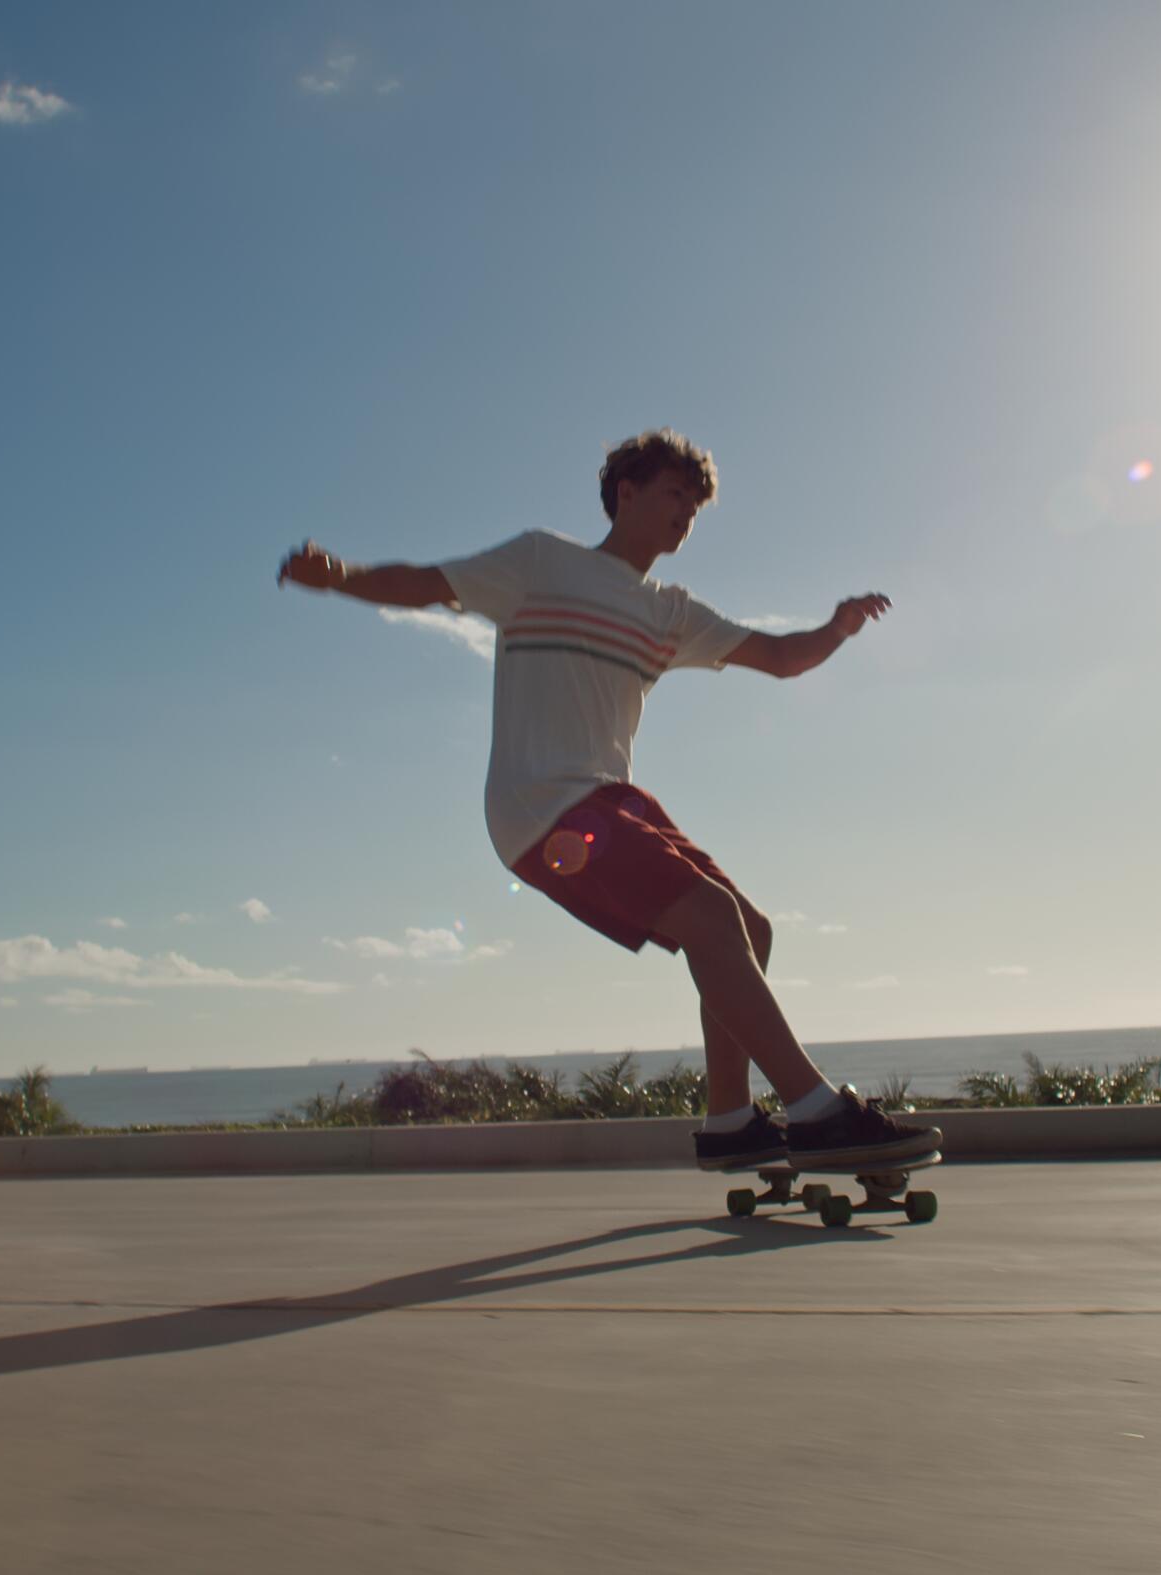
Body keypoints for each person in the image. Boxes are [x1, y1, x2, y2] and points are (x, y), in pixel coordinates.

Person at [276, 428, 940, 1175]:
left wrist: (838, 627)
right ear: (626, 491)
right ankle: (818, 1111)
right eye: (674, 495)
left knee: (749, 927)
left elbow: (781, 658)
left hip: (612, 801)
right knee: (711, 918)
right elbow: (426, 582)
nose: (686, 513)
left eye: (695, 505)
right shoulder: (540, 563)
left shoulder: (671, 610)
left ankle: (729, 1121)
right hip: (540, 806)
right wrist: (340, 575)